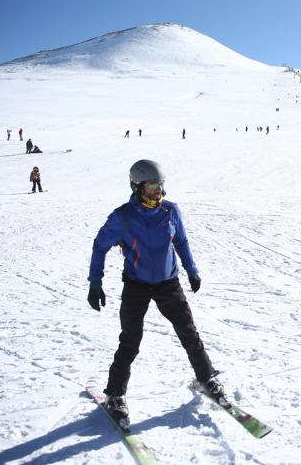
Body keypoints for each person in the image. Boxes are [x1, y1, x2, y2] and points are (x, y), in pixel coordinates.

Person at [87, 160, 222, 425]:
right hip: (136, 285)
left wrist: (192, 270)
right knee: (130, 340)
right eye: (151, 187)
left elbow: (181, 241)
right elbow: (99, 246)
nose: (158, 192)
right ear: (137, 187)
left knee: (189, 333)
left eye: (160, 185)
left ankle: (207, 378)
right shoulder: (123, 217)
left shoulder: (171, 211)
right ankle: (115, 394)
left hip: (168, 283)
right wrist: (95, 283)